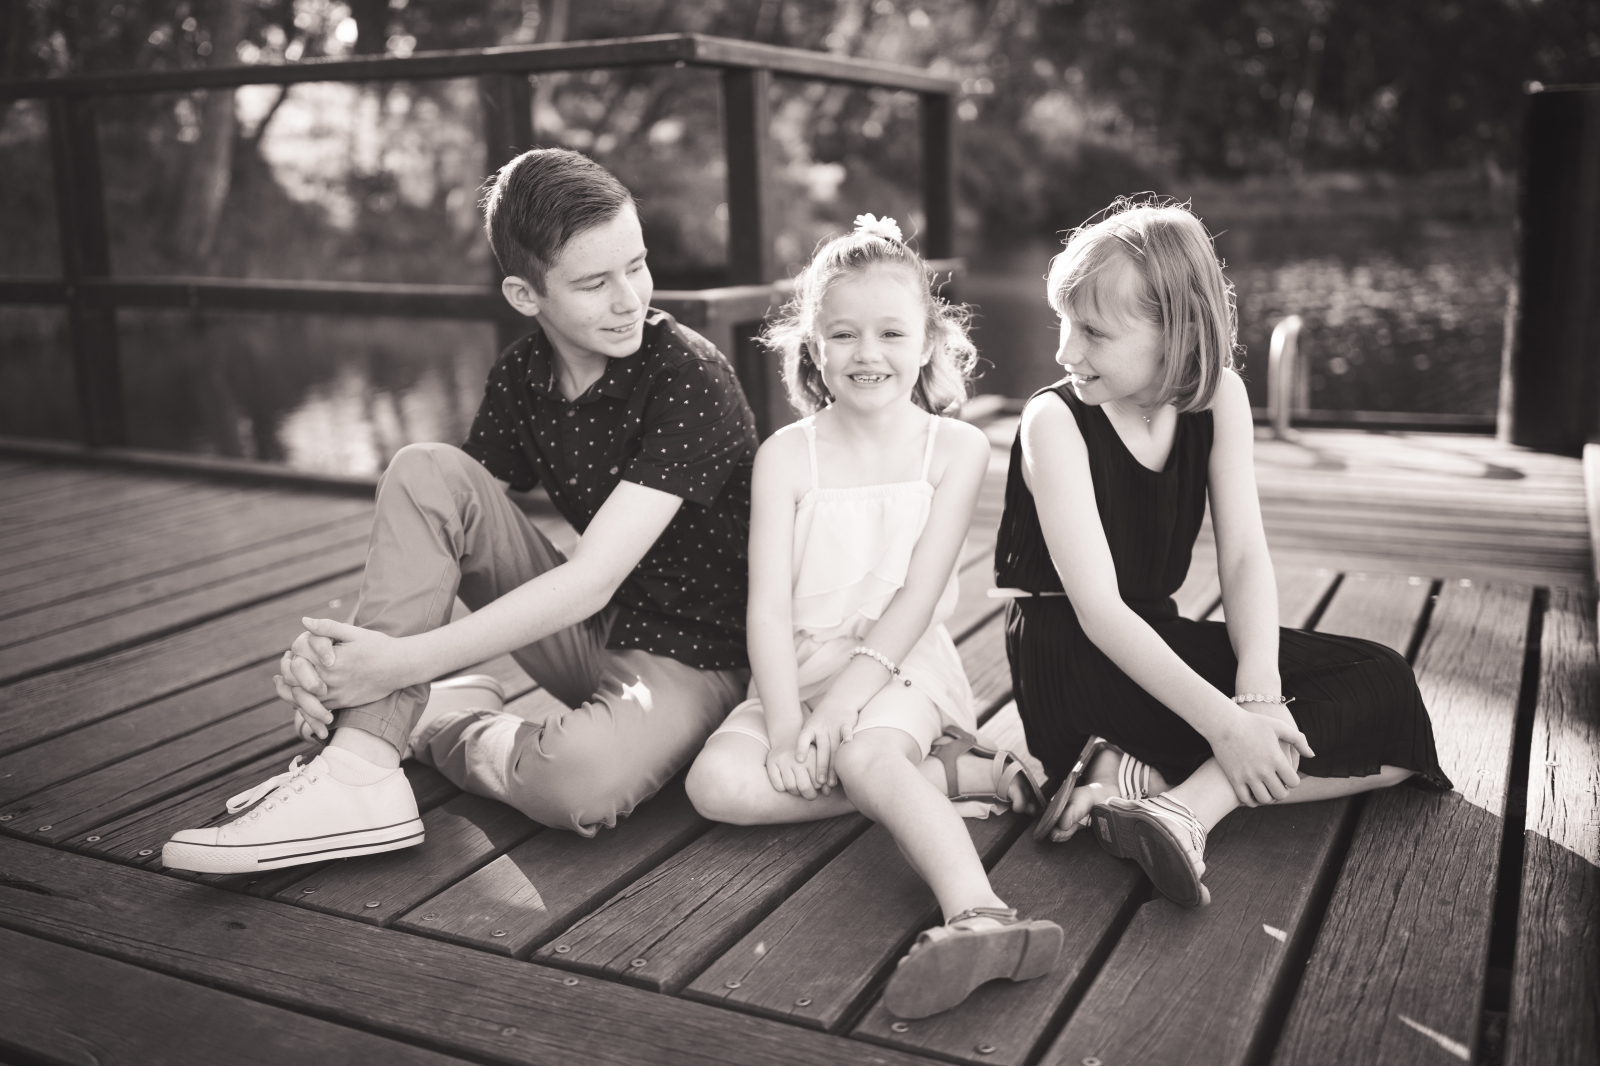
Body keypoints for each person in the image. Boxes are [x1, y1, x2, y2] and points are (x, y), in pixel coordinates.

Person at [162, 148, 759, 874]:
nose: (629, 299)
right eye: (594, 283)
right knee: (426, 470)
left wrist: (394, 666)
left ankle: (441, 718)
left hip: (698, 656)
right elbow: (437, 527)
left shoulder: (688, 375)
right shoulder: (522, 377)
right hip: (593, 632)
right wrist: (335, 659)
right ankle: (359, 770)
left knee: (576, 782)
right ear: (524, 295)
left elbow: (594, 577)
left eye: (636, 266)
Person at [996, 199, 1453, 908]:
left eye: (1093, 332)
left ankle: (1158, 794)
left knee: (1387, 694)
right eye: (1065, 321)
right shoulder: (1053, 421)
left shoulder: (1219, 399)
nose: (1065, 351)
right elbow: (1100, 613)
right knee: (1358, 744)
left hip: (1159, 638)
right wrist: (1227, 724)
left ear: (1176, 333)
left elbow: (1242, 557)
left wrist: (1258, 695)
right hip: (1076, 659)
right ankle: (1168, 796)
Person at [686, 215, 1062, 1020]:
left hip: (900, 663)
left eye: (892, 332)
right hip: (799, 665)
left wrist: (842, 711)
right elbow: (767, 606)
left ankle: (982, 914)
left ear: (928, 342)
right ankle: (950, 778)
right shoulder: (785, 455)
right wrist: (786, 725)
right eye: (843, 334)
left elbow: (917, 598)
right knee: (716, 785)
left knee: (863, 755)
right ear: (813, 348)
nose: (868, 353)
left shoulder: (954, 450)